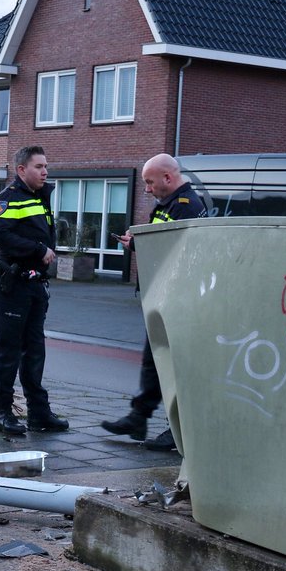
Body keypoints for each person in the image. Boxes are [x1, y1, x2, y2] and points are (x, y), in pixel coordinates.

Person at [101, 153, 206, 451]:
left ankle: (179, 433)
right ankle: (139, 417)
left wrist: (137, 244)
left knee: (176, 368)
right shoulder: (172, 204)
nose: (146, 189)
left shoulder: (186, 207)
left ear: (168, 178)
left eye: (149, 182)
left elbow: (178, 251)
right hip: (164, 297)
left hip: (178, 301)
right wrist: (137, 242)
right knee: (154, 362)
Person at [0, 146, 69, 435]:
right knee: (8, 351)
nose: (45, 171)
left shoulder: (41, 197)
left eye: (46, 166)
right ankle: (2, 413)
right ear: (22, 170)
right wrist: (38, 249)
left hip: (34, 285)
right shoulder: (8, 199)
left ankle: (38, 413)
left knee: (35, 351)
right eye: (39, 166)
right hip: (11, 283)